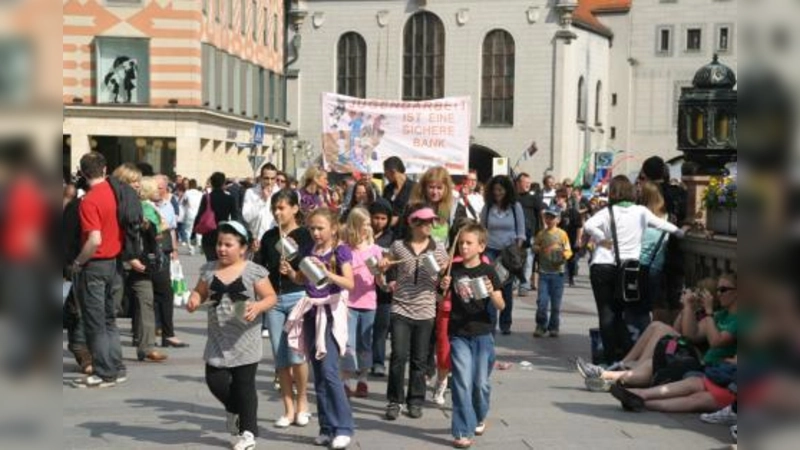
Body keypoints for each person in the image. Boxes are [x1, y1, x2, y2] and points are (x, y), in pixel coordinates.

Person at [187, 221, 278, 450]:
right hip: (218, 339)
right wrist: (195, 299)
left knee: (244, 386)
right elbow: (200, 291)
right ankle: (233, 409)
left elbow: (270, 297)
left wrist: (257, 307)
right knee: (215, 381)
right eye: (219, 244)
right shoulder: (209, 269)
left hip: (245, 340)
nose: (222, 249)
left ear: (243, 248)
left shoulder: (253, 271)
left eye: (228, 244)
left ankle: (248, 433)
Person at [582, 175, 688, 365]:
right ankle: (624, 356)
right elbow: (663, 225)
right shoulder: (640, 212)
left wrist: (601, 238)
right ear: (630, 192)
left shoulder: (608, 211)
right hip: (628, 269)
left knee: (606, 313)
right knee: (623, 312)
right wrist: (681, 232)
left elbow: (588, 225)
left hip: (602, 265)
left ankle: (608, 358)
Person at [576, 275, 738, 390]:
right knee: (657, 330)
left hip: (695, 359)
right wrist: (687, 307)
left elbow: (689, 335)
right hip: (683, 352)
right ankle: (618, 368)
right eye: (717, 290)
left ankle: (607, 375)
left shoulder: (713, 315)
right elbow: (679, 328)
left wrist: (696, 309)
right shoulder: (716, 315)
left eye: (722, 290)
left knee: (660, 332)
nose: (718, 294)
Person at [282, 208, 355, 449]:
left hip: (332, 313)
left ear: (333, 228)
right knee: (319, 373)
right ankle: (326, 427)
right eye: (312, 228)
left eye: (320, 228)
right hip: (311, 312)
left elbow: (349, 283)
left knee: (330, 371)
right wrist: (291, 273)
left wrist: (328, 274)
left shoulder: (340, 250)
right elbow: (303, 279)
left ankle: (343, 427)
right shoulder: (309, 250)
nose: (315, 233)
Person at [379, 204, 449, 421]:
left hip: (426, 310)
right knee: (399, 356)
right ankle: (394, 400)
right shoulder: (398, 246)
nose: (430, 225)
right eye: (426, 221)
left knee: (419, 360)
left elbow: (443, 284)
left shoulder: (438, 248)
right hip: (400, 307)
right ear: (413, 222)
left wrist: (445, 280)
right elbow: (385, 275)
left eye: (432, 221)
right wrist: (384, 276)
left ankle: (415, 400)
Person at [439, 223, 505, 449]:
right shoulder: (452, 270)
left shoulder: (488, 271)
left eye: (469, 243)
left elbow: (501, 304)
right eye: (461, 243)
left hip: (483, 334)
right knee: (461, 382)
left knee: (480, 384)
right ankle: (461, 431)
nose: (464, 247)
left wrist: (489, 291)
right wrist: (444, 287)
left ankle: (478, 415)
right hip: (458, 334)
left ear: (481, 246)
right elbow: (439, 300)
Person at [255, 189, 313, 428]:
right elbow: (259, 268)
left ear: (294, 209)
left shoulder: (306, 236)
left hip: (298, 296)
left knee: (297, 354)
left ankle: (303, 403)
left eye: (282, 208)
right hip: (274, 301)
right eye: (274, 208)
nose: (278, 212)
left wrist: (292, 267)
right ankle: (287, 408)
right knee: (280, 357)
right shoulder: (269, 237)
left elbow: (311, 268)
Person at [70, 152, 126, 388]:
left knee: (95, 323)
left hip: (94, 264)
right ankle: (116, 366)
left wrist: (78, 262)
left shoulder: (89, 201)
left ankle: (104, 373)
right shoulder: (115, 193)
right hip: (113, 262)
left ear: (82, 173)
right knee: (109, 319)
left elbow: (94, 238)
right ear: (105, 170)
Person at [115, 169, 168, 363]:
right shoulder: (115, 204)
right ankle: (104, 350)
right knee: (112, 306)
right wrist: (129, 258)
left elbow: (152, 231)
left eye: (138, 181)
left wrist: (148, 227)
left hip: (141, 261)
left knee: (146, 301)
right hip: (120, 262)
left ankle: (147, 348)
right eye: (133, 181)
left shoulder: (139, 205)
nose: (137, 185)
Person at [341, 207, 383, 398]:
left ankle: (363, 379)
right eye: (364, 224)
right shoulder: (345, 248)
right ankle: (347, 380)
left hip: (368, 302)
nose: (368, 227)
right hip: (349, 302)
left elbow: (380, 281)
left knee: (365, 343)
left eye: (368, 224)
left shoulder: (375, 250)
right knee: (348, 342)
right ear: (355, 226)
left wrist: (381, 274)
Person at [481, 175, 525, 335]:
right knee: (491, 286)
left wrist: (516, 251)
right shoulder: (488, 207)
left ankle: (505, 323)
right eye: (494, 190)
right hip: (491, 251)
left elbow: (521, 232)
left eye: (500, 190)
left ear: (507, 190)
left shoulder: (515, 207)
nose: (497, 193)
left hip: (508, 251)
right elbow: (482, 229)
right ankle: (491, 322)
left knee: (506, 288)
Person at [154, 175, 188, 348]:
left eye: (163, 187)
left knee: (165, 292)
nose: (161, 190)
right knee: (160, 293)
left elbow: (173, 230)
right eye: (158, 187)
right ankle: (158, 329)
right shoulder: (146, 206)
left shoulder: (168, 205)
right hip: (152, 255)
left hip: (166, 253)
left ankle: (163, 330)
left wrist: (175, 251)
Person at [635, 181, 671, 331]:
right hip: (656, 265)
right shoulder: (666, 216)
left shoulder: (637, 214)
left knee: (633, 308)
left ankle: (637, 340)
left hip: (636, 265)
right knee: (648, 306)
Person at [532, 204, 573, 338]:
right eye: (547, 217)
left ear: (558, 219)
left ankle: (554, 327)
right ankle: (540, 325)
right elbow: (535, 246)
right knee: (542, 302)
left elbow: (568, 250)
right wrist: (537, 248)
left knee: (556, 304)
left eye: (552, 217)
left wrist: (562, 255)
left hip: (558, 274)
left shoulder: (562, 234)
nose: (549, 220)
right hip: (543, 273)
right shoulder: (541, 234)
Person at [369, 198, 395, 377]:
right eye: (375, 217)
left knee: (381, 326)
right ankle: (362, 360)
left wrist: (392, 280)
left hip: (384, 289)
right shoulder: (363, 235)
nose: (379, 222)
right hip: (364, 288)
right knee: (364, 325)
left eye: (383, 218)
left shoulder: (393, 237)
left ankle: (378, 362)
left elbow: (395, 263)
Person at [194, 172, 241, 262]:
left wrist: (193, 234)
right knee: (222, 263)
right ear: (224, 183)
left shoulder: (206, 197)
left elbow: (199, 215)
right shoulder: (230, 199)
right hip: (223, 233)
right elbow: (235, 217)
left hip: (208, 235)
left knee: (210, 262)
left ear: (211, 183)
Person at [515, 172, 543, 295]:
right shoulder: (512, 198)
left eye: (529, 183)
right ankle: (514, 284)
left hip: (530, 235)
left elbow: (541, 215)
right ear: (517, 183)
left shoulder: (534, 198)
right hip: (514, 235)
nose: (527, 185)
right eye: (524, 182)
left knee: (528, 260)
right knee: (514, 260)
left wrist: (540, 233)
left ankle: (524, 285)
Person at [242, 163, 278, 252]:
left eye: (272, 178)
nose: (269, 182)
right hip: (256, 240)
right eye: (266, 178)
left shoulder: (279, 194)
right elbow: (247, 217)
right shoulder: (250, 193)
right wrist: (262, 200)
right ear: (261, 178)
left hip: (275, 240)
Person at [553, 188, 583, 287]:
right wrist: (558, 213)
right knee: (558, 258)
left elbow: (579, 226)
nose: (558, 200)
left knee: (571, 259)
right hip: (558, 238)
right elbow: (553, 224)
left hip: (571, 237)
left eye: (560, 198)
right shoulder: (554, 211)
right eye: (556, 198)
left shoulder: (573, 212)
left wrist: (578, 239)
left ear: (565, 199)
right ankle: (559, 277)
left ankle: (570, 278)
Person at [382, 156, 415, 238]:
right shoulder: (388, 189)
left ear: (393, 171)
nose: (385, 175)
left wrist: (398, 220)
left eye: (385, 172)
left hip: (407, 233)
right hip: (388, 233)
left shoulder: (415, 188)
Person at [182, 179, 204, 255]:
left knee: (189, 231)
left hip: (190, 214)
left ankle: (191, 249)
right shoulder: (200, 193)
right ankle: (201, 245)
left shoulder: (187, 193)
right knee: (199, 231)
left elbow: (183, 202)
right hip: (199, 214)